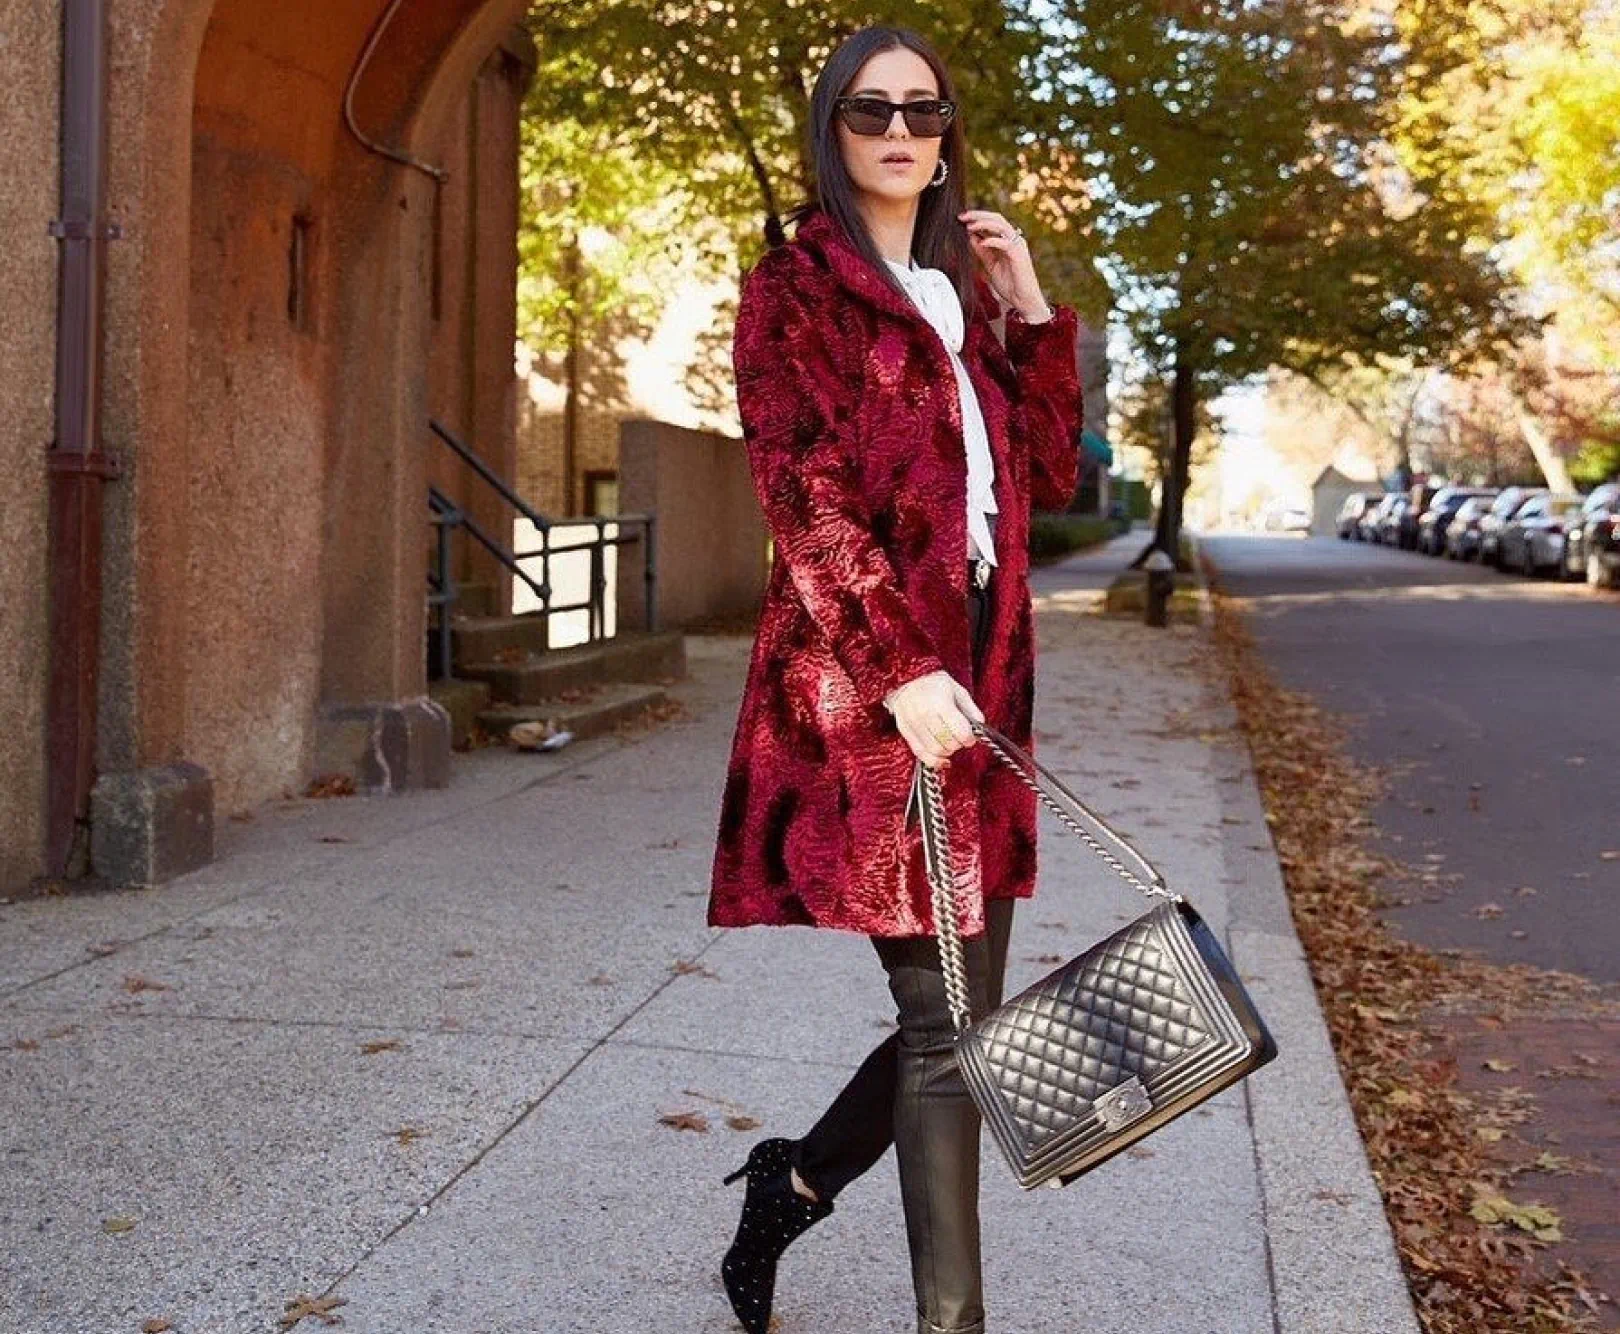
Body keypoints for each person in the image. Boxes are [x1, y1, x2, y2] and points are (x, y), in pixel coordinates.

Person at [707, 23, 1084, 1334]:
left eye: (922, 110)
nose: (900, 131)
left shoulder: (963, 296)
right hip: (871, 692)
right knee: (944, 1029)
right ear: (836, 128)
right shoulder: (792, 292)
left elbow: (1051, 476)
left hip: (983, 674)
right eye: (872, 110)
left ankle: (790, 1185)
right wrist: (899, 668)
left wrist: (1031, 310)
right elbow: (804, 496)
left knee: (966, 1024)